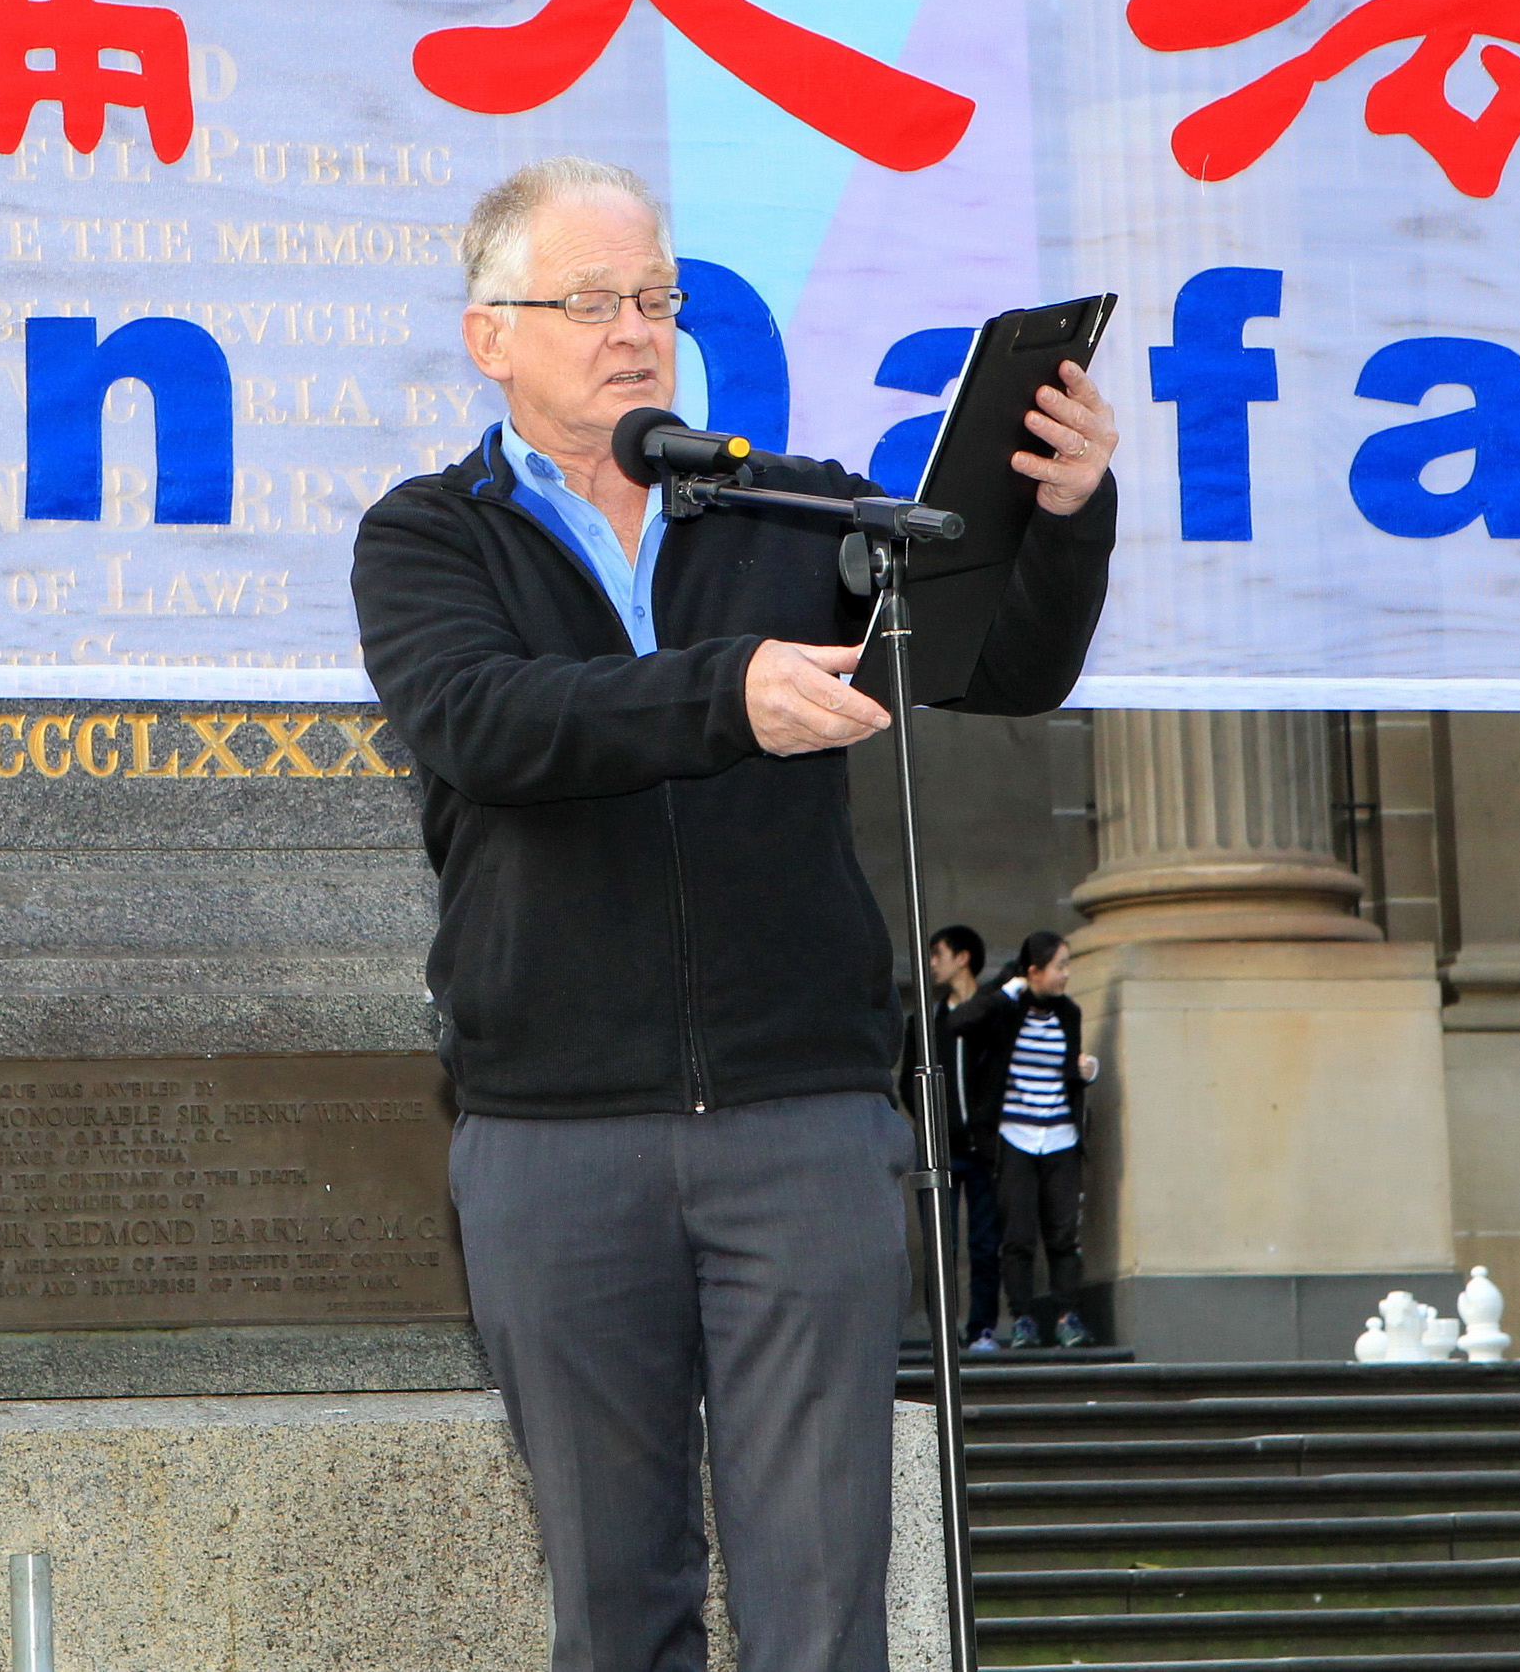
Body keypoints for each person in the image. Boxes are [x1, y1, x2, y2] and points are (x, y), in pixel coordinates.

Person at [352, 154, 1119, 1672]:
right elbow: (484, 722)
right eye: (590, 301)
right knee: (617, 1600)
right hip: (556, 1136)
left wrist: (1066, 515)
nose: (634, 330)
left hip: (801, 1122)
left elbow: (1001, 668)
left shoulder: (791, 511)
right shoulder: (430, 535)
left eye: (655, 297)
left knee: (820, 1603)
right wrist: (726, 692)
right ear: (490, 334)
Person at [941, 929, 1098, 1349]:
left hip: (1061, 1136)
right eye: (1060, 966)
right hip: (1015, 1138)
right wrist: (1007, 990)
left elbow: (1070, 1068)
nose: (1066, 974)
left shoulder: (1069, 1013)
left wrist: (1087, 1071)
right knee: (1018, 1237)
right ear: (1034, 971)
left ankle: (1067, 1316)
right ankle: (1023, 1318)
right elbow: (959, 1022)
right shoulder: (1007, 1007)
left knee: (1064, 1236)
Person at [905, 925, 1008, 1354]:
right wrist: (932, 1124)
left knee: (985, 1243)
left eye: (939, 954)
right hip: (939, 1149)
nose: (932, 963)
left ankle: (982, 1329)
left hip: (985, 1149)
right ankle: (944, 1333)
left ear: (963, 958)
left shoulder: (995, 1012)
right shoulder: (925, 1022)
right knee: (940, 1246)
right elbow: (909, 1083)